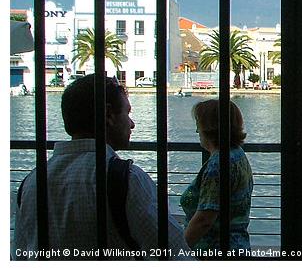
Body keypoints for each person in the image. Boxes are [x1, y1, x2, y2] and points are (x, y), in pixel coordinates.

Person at [12, 74, 192, 260]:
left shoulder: (31, 183)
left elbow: (20, 254)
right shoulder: (126, 179)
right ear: (108, 115)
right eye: (127, 113)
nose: (132, 124)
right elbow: (174, 252)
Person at [180, 100, 254, 254]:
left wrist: (176, 251)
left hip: (213, 252)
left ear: (209, 129)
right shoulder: (237, 154)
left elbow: (204, 220)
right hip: (238, 247)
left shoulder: (218, 164)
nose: (196, 131)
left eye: (198, 125)